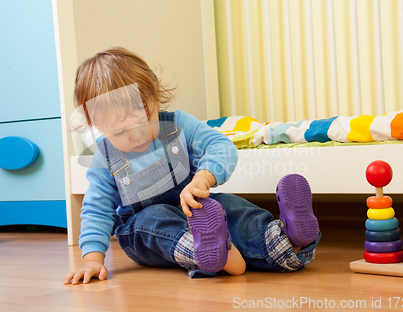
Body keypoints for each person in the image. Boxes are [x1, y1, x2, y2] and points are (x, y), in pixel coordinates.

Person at [64, 47, 320, 284]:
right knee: (149, 222)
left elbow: (220, 146)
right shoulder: (105, 159)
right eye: (120, 131)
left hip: (198, 210)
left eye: (143, 121)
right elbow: (96, 210)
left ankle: (284, 239)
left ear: (154, 98)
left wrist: (203, 179)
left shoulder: (178, 125)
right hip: (145, 230)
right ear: (98, 127)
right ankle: (209, 252)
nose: (137, 135)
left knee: (230, 207)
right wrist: (92, 260)